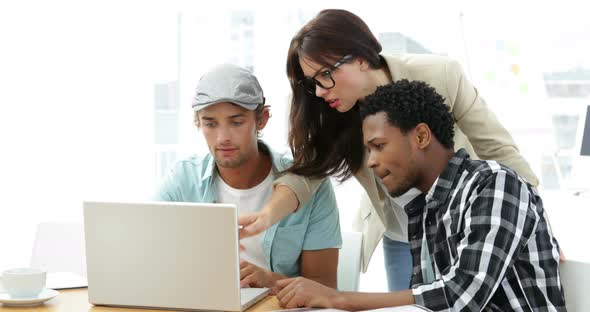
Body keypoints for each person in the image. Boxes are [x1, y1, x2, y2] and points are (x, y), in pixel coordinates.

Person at [238, 9, 540, 291]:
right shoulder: (330, 110)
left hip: (463, 225)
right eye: (311, 82)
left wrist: (534, 224)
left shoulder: (440, 75)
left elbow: (497, 149)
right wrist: (266, 216)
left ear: (359, 57)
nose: (319, 90)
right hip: (402, 235)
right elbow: (306, 175)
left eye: (325, 75)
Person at [272, 80, 565, 311]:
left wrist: (338, 299)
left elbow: (458, 298)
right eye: (368, 150)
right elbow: (422, 305)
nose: (371, 161)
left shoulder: (494, 183)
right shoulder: (424, 208)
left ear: (421, 136)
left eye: (379, 145)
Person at [156, 64, 342, 289]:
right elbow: (145, 252)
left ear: (261, 119)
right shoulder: (183, 179)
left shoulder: (308, 181)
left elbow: (324, 287)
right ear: (198, 122)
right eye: (210, 123)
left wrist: (268, 281)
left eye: (236, 122)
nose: (223, 137)